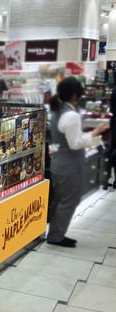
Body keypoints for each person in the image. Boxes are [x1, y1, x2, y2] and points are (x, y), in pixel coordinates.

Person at [47, 77, 109, 247]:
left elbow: (61, 139)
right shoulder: (71, 115)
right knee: (70, 201)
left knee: (60, 200)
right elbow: (75, 143)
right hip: (70, 166)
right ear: (75, 95)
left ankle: (54, 233)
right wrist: (95, 132)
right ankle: (56, 236)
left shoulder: (57, 110)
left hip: (59, 164)